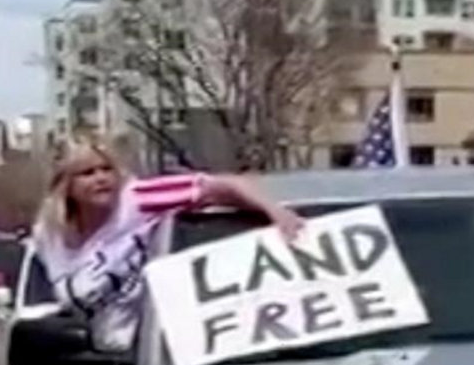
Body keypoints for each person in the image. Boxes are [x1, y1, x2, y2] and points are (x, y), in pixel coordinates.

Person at [31, 135, 302, 353]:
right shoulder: (49, 235)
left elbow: (220, 185)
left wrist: (274, 211)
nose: (101, 178)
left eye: (107, 169)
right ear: (65, 185)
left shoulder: (138, 199)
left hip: (159, 352)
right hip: (105, 356)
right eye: (87, 173)